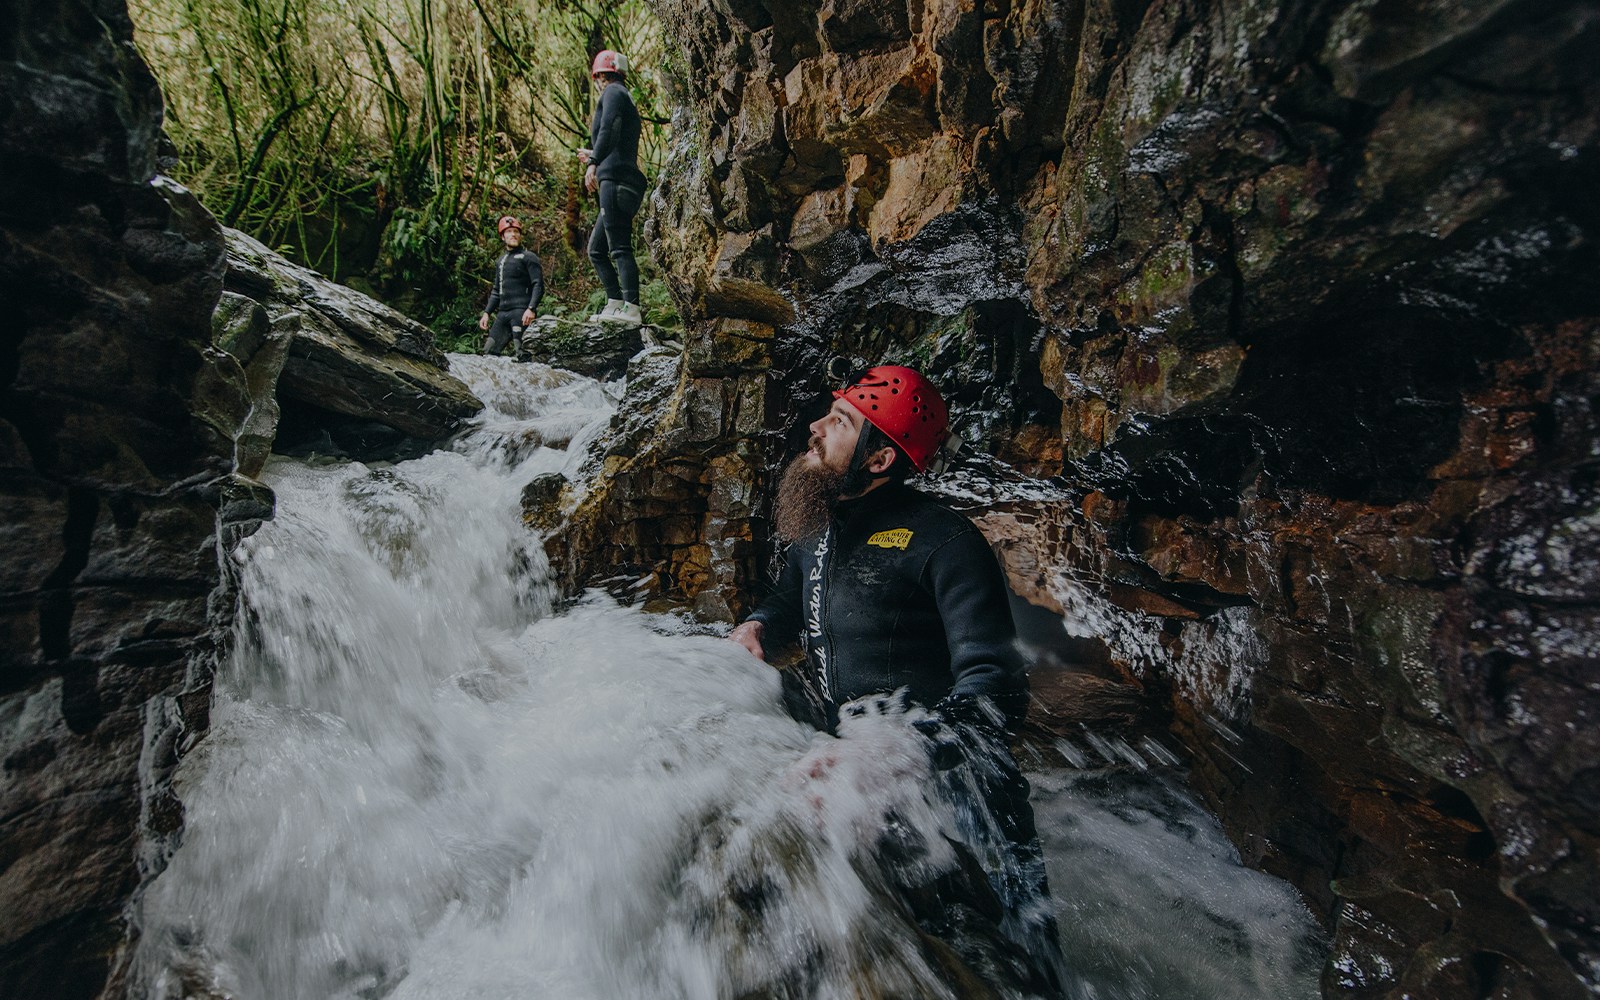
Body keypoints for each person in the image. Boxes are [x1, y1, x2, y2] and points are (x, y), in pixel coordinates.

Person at [729, 365, 1065, 994]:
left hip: (959, 805)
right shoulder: (819, 525)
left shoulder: (946, 543)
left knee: (1016, 976)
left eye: (841, 422)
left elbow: (996, 688)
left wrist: (901, 750)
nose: (816, 427)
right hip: (859, 788)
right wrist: (756, 626)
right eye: (831, 412)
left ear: (880, 457)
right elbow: (786, 600)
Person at [578, 49, 647, 327]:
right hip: (624, 180)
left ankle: (632, 308)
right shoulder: (624, 96)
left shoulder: (612, 93)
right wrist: (595, 153)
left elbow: (609, 129)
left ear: (600, 76)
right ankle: (616, 302)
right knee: (596, 249)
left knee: (618, 247)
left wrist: (593, 162)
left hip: (616, 181)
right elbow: (616, 136)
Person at [477, 214, 543, 357]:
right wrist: (487, 313)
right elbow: (496, 290)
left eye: (516, 231)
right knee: (487, 355)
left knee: (523, 355)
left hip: (522, 313)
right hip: (503, 314)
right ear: (502, 237)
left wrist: (531, 309)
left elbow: (538, 284)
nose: (513, 234)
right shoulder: (500, 261)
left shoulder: (528, 257)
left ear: (520, 235)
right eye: (509, 231)